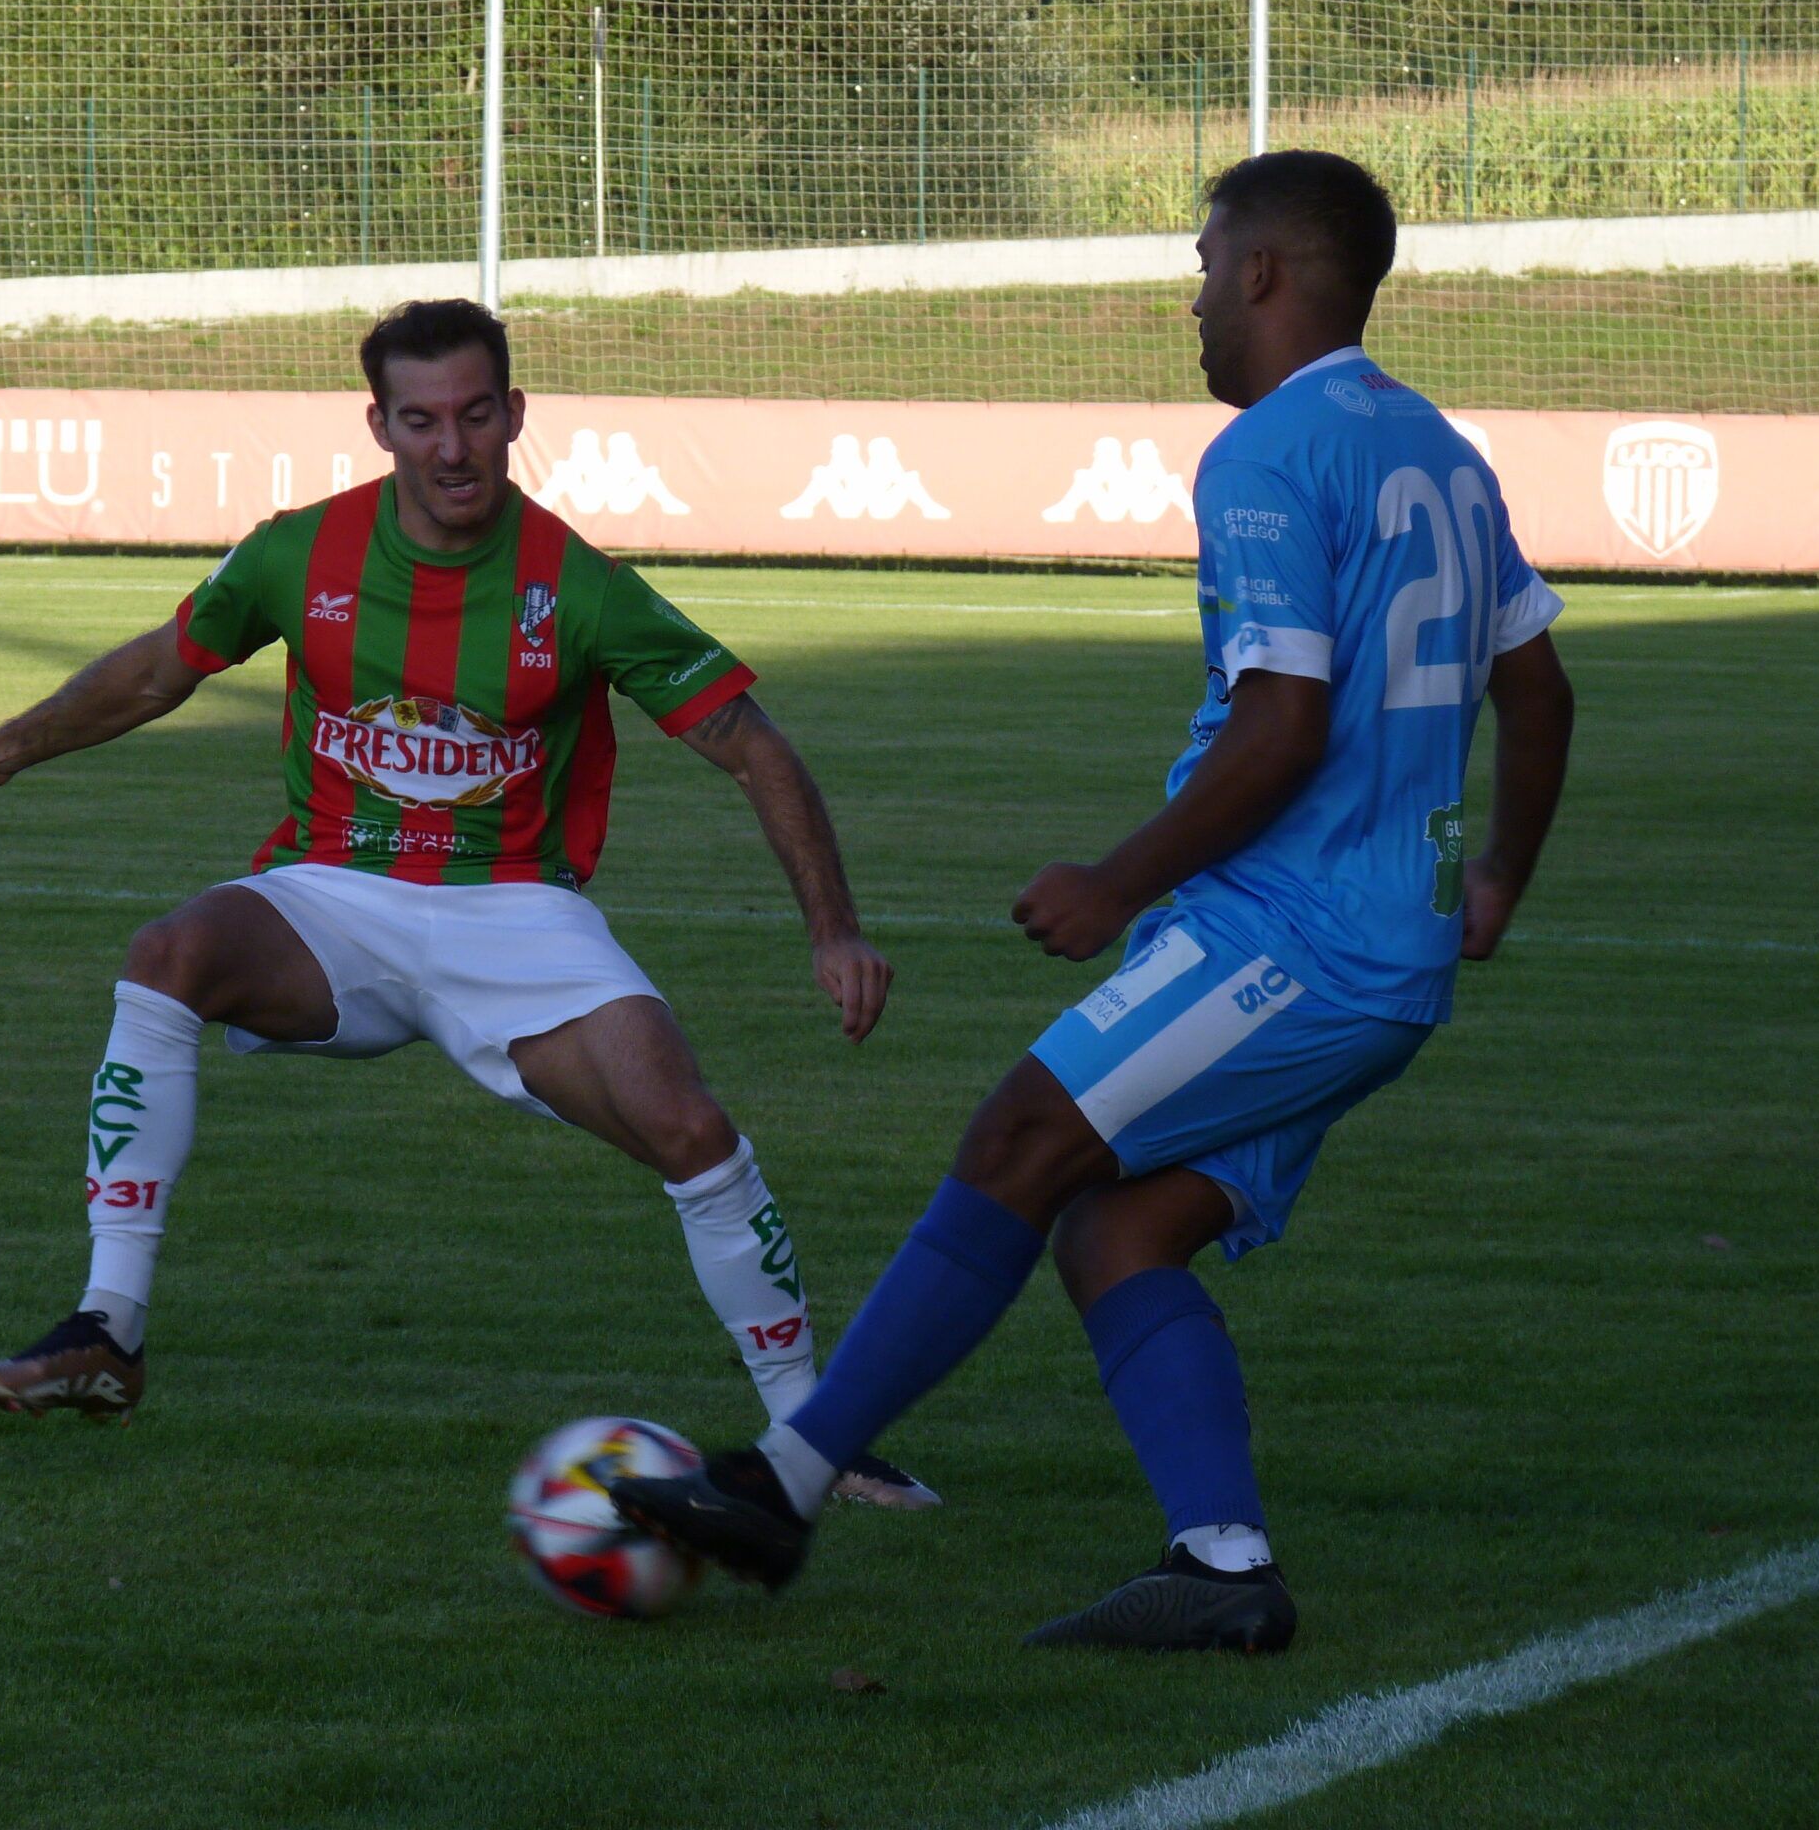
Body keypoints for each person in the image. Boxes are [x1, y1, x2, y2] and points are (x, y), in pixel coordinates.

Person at [612, 152, 1577, 1644]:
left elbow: (1282, 729)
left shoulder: (1267, 453)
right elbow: (1540, 685)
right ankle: (1224, 1572)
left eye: (1205, 264)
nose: (1194, 297)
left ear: (1265, 273)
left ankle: (782, 1490)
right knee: (1112, 1230)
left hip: (1298, 941)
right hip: (1388, 960)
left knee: (1022, 1135)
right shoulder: (1443, 450)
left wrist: (1114, 883)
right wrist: (1498, 873)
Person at [0, 298, 936, 1510]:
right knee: (168, 952)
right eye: (423, 420)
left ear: (516, 414)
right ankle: (107, 1327)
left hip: (516, 915)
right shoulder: (299, 553)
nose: (454, 448)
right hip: (331, 900)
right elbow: (157, 669)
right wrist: (8, 746)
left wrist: (835, 929)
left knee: (692, 1132)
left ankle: (810, 1438)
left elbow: (755, 747)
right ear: (380, 425)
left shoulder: (579, 586)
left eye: (477, 415)